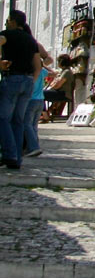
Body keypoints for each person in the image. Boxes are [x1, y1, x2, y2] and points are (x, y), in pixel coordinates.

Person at [0, 10, 51, 170]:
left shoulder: (7, 34)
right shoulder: (31, 40)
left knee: (3, 119)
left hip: (12, 78)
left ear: (13, 22)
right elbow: (38, 66)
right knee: (18, 121)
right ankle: (17, 159)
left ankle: (9, 154)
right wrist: (31, 83)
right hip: (28, 81)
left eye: (8, 20)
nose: (7, 23)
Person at [23, 49, 50, 157]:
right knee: (34, 124)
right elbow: (53, 74)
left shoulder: (30, 72)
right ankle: (34, 145)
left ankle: (33, 147)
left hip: (31, 99)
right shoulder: (43, 71)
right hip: (40, 99)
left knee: (26, 124)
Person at [42, 55, 75, 121]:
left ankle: (45, 115)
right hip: (60, 92)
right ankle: (44, 113)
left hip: (63, 94)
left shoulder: (66, 72)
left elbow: (58, 85)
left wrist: (53, 85)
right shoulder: (63, 71)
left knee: (41, 94)